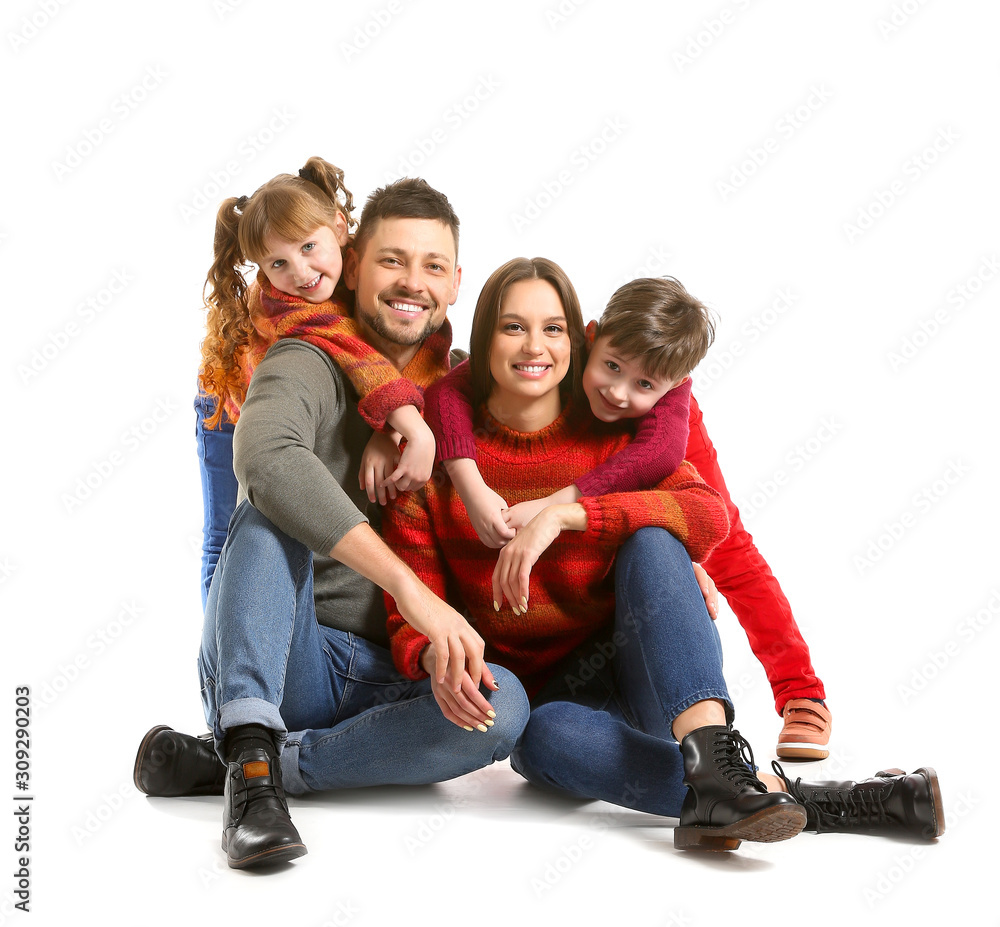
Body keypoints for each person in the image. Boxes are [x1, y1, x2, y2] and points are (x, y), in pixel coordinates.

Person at [382, 256, 943, 849]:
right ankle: (765, 797)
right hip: (545, 710)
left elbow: (710, 518)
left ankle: (717, 760)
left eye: (550, 329)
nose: (533, 346)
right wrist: (434, 654)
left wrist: (567, 513)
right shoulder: (441, 441)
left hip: (641, 676)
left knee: (655, 540)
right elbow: (411, 593)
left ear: (573, 336)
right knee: (545, 737)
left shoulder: (630, 427)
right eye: (512, 327)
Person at [134, 178, 530, 870]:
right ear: (355, 260)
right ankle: (252, 766)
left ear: (457, 280)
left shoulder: (457, 387)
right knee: (268, 503)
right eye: (392, 261)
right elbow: (262, 458)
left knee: (511, 707)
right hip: (296, 657)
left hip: (399, 674)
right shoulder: (306, 355)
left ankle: (255, 758)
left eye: (433, 265)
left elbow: (569, 457)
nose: (412, 282)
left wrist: (681, 551)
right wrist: (410, 589)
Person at [425, 274, 833, 760]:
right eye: (611, 368)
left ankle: (800, 690)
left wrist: (564, 508)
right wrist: (467, 479)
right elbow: (454, 385)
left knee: (727, 549)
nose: (618, 393)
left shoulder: (666, 402)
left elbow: (658, 461)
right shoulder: (559, 354)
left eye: (640, 383)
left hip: (655, 450)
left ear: (675, 383)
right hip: (549, 648)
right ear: (589, 337)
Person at [193, 156, 440, 608]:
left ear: (340, 228)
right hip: (231, 409)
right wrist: (407, 424)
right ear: (262, 271)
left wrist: (390, 429)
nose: (301, 274)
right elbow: (358, 354)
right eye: (278, 263)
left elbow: (414, 345)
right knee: (226, 530)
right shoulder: (290, 307)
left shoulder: (362, 275)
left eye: (308, 248)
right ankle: (220, 639)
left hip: (304, 415)